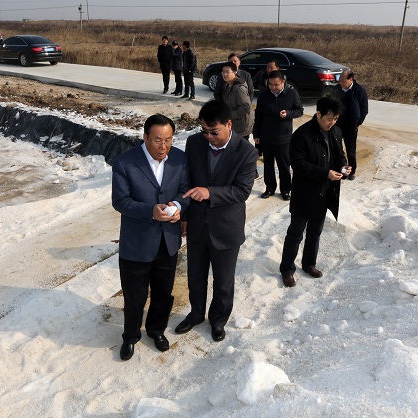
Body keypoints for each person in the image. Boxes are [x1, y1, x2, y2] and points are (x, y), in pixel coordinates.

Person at [175, 101, 257, 342]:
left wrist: (210, 192)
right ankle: (196, 313)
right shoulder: (194, 143)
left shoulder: (246, 152)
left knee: (223, 281)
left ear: (229, 124)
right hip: (197, 223)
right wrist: (185, 217)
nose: (209, 137)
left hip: (226, 227)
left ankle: (218, 320)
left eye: (214, 132)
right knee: (195, 275)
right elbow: (188, 182)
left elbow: (242, 191)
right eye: (205, 131)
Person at [112, 115, 190, 360]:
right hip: (136, 243)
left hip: (168, 241)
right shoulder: (125, 163)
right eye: (157, 140)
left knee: (163, 293)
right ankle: (130, 336)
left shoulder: (179, 158)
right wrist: (150, 211)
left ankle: (156, 330)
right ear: (145, 137)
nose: (163, 146)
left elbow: (185, 190)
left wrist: (178, 205)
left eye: (168, 140)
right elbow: (120, 201)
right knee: (134, 296)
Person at [279, 96, 349, 287]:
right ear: (318, 114)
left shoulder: (336, 132)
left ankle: (309, 263)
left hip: (324, 192)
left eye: (336, 119)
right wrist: (325, 173)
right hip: (304, 193)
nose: (332, 123)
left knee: (315, 232)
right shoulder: (302, 135)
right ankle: (287, 269)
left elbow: (340, 156)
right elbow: (298, 164)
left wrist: (343, 168)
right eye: (329, 119)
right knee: (295, 233)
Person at [253, 70, 304, 201]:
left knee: (284, 165)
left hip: (283, 137)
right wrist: (256, 134)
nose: (273, 87)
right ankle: (270, 188)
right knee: (268, 165)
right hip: (266, 136)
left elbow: (299, 110)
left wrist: (288, 113)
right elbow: (258, 115)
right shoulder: (264, 95)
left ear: (283, 82)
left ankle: (286, 190)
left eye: (276, 84)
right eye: (270, 84)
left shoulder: (291, 94)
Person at [333, 68, 368, 180]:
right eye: (340, 80)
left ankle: (351, 171)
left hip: (350, 126)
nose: (341, 83)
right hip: (337, 125)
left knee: (351, 151)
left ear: (351, 79)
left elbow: (364, 110)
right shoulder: (336, 89)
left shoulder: (359, 91)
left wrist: (357, 123)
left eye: (343, 81)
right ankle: (341, 170)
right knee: (337, 149)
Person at [220, 62, 254, 140]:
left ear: (235, 73)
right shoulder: (227, 85)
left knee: (240, 146)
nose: (225, 74)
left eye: (227, 72)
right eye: (223, 72)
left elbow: (245, 107)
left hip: (241, 126)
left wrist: (229, 115)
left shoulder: (239, 87)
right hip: (234, 124)